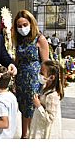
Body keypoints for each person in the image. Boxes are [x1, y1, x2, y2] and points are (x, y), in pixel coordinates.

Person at [12, 10, 49, 138]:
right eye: (19, 26)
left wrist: (44, 82)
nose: (22, 28)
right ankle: (24, 135)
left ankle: (30, 136)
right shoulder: (20, 40)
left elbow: (46, 63)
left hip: (34, 80)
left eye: (24, 25)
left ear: (31, 23)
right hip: (21, 79)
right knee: (23, 108)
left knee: (31, 108)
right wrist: (14, 79)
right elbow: (17, 60)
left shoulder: (40, 39)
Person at [28, 60, 64, 139]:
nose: (40, 75)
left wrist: (38, 105)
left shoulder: (53, 95)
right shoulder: (45, 87)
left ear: (51, 77)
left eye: (42, 73)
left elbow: (50, 118)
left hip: (44, 131)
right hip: (39, 125)